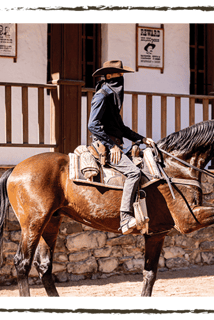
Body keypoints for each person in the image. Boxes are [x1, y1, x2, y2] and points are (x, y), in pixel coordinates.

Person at [88, 60, 155, 234]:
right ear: (109, 76)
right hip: (105, 145)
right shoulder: (102, 95)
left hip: (114, 143)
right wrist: (112, 146)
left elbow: (121, 129)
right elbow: (92, 125)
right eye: (120, 74)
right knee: (134, 173)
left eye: (123, 74)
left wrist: (142, 139)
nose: (122, 78)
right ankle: (125, 217)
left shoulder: (111, 98)